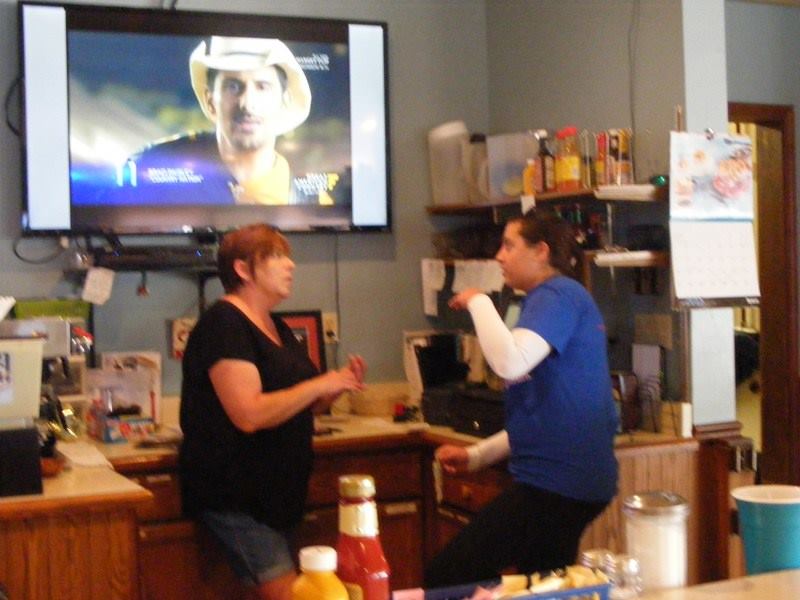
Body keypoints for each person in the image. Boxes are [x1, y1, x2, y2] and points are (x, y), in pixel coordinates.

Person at [424, 210, 619, 587]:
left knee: (448, 577)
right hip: (569, 482)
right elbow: (544, 417)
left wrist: (479, 301)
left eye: (509, 246)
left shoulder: (558, 294)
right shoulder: (550, 300)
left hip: (558, 483)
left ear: (541, 251)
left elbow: (510, 362)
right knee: (541, 586)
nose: (499, 256)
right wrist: (477, 456)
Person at [179, 223, 366, 600]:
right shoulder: (224, 324)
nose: (290, 265)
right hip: (237, 498)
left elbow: (304, 403)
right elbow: (249, 414)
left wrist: (336, 386)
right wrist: (319, 385)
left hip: (277, 497)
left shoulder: (276, 326)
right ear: (243, 269)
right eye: (276, 256)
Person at [125, 37, 312, 205]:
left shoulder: (311, 198)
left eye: (262, 87)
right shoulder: (152, 166)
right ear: (210, 101)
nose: (247, 103)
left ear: (283, 102)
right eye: (233, 86)